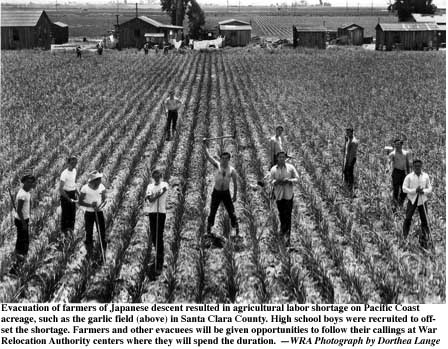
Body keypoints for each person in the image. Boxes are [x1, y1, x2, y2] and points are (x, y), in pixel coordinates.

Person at [203, 140, 239, 244]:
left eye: (226, 159)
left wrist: (235, 195)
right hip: (217, 192)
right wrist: (205, 145)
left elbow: (235, 183)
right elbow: (209, 157)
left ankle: (237, 232)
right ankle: (208, 231)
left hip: (226, 193)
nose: (224, 161)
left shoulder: (231, 170)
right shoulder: (218, 165)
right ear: (220, 159)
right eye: (222, 158)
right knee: (213, 211)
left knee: (231, 211)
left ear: (229, 160)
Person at [9, 174, 37, 276]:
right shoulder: (22, 195)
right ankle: (15, 268)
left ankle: (20, 259)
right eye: (28, 182)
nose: (30, 184)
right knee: (22, 241)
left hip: (24, 219)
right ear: (23, 182)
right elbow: (19, 210)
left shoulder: (27, 191)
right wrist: (24, 223)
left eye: (32, 182)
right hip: (21, 220)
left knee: (23, 240)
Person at [269, 151, 299, 244]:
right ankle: (283, 230)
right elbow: (271, 181)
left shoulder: (290, 167)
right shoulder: (273, 169)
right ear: (277, 158)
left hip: (288, 195)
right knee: (281, 214)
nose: (281, 158)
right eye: (280, 157)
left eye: (283, 157)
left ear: (285, 158)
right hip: (279, 195)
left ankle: (288, 236)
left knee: (288, 215)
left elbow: (297, 178)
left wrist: (289, 180)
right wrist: (276, 182)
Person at [402, 159, 432, 249]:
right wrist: (415, 190)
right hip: (412, 200)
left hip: (422, 200)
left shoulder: (426, 176)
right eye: (416, 166)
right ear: (413, 167)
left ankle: (425, 238)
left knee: (425, 220)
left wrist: (424, 191)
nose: (417, 167)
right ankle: (405, 237)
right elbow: (404, 188)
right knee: (408, 218)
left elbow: (429, 188)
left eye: (419, 166)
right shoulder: (409, 177)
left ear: (421, 166)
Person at [145, 169, 169, 275]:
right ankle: (158, 254)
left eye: (158, 176)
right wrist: (159, 193)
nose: (156, 178)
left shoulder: (165, 184)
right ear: (152, 177)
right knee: (154, 236)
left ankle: (160, 261)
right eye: (154, 176)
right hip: (152, 212)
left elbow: (164, 190)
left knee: (159, 236)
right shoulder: (150, 186)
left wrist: (158, 194)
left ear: (161, 176)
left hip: (161, 212)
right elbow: (150, 199)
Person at [79, 171, 107, 259]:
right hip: (89, 213)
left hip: (99, 212)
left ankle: (103, 248)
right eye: (98, 180)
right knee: (89, 231)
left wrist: (100, 205)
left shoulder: (101, 187)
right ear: (94, 180)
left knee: (101, 230)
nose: (100, 181)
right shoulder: (85, 189)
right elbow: (80, 202)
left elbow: (104, 199)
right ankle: (89, 251)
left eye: (100, 179)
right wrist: (91, 205)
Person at [388, 139, 411, 208]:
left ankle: (401, 201)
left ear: (401, 145)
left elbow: (407, 163)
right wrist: (388, 168)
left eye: (398, 144)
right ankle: (394, 203)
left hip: (403, 172)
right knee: (396, 189)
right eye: (396, 144)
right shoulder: (392, 154)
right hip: (396, 172)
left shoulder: (405, 153)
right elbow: (389, 162)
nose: (397, 146)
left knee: (404, 189)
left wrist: (409, 173)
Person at [59, 155, 79, 234]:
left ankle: (71, 232)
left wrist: (78, 193)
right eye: (72, 162)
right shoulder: (64, 174)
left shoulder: (74, 171)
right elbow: (60, 189)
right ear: (68, 163)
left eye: (75, 162)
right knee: (65, 215)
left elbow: (73, 183)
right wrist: (68, 198)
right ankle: (63, 233)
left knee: (72, 214)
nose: (74, 164)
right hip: (65, 195)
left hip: (72, 193)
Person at [342, 127, 359, 195]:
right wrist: (346, 141)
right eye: (346, 132)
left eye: (348, 132)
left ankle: (350, 186)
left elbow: (352, 154)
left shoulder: (354, 142)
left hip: (351, 159)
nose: (347, 134)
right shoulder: (349, 139)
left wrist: (349, 162)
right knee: (345, 171)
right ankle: (346, 184)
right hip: (348, 158)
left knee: (349, 172)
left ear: (352, 132)